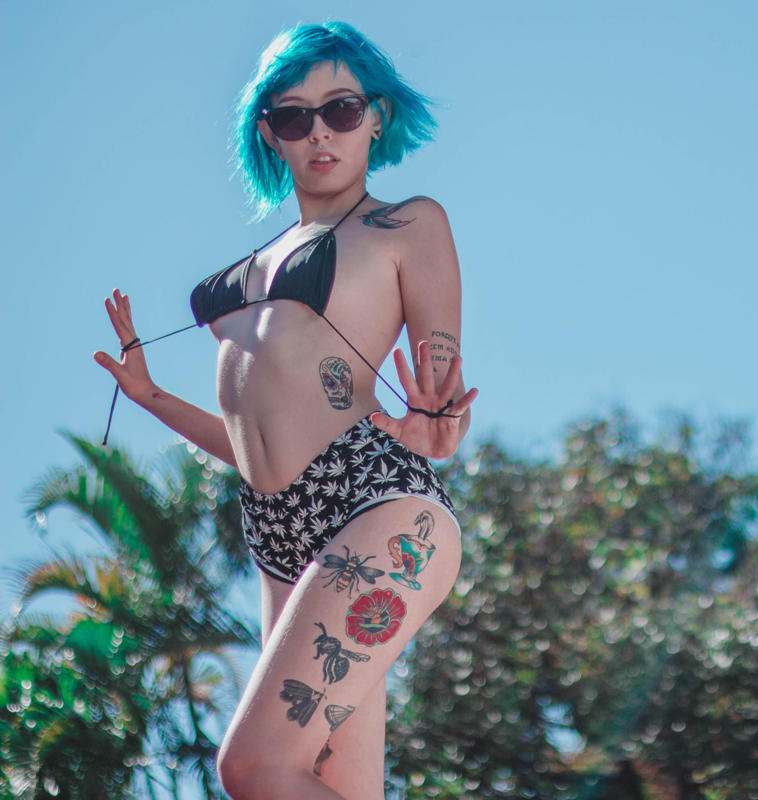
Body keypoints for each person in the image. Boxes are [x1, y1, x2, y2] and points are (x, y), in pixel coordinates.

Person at [92, 21, 476, 799]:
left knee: (254, 767)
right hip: (277, 532)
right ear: (269, 133)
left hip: (373, 501)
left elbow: (439, 389)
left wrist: (438, 429)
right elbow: (256, 446)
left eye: (341, 109)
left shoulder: (406, 224)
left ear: (377, 117)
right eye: (295, 117)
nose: (319, 132)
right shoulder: (257, 261)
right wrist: (153, 398)